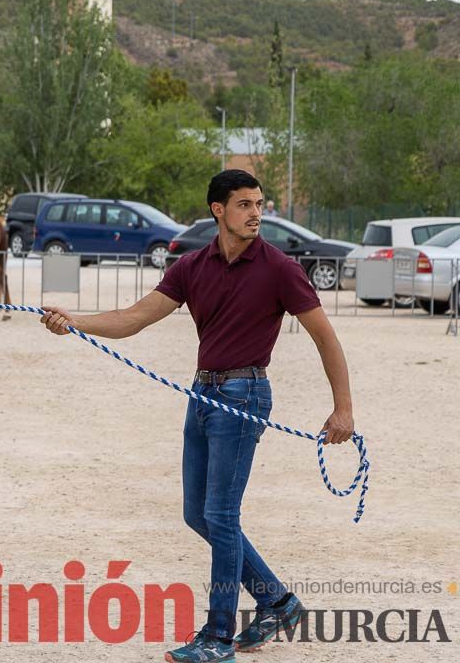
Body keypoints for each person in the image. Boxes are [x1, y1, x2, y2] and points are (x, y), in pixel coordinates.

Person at [40, 169, 355, 662]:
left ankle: (217, 638)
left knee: (221, 517)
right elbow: (133, 318)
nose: (256, 213)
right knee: (198, 514)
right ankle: (278, 601)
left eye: (259, 204)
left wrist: (343, 409)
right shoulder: (191, 266)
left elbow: (324, 336)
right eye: (245, 205)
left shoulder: (279, 268)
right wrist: (74, 323)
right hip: (202, 394)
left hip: (246, 394)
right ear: (218, 210)